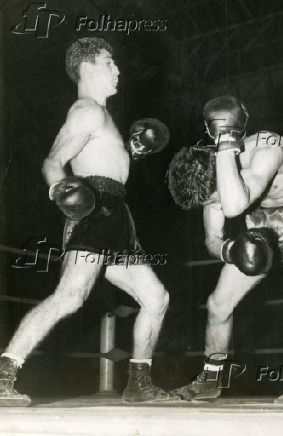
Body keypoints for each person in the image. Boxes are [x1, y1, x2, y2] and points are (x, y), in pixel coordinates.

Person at [0, 37, 179, 406]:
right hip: (95, 210)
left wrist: (133, 151)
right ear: (86, 67)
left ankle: (139, 383)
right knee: (70, 296)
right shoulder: (87, 111)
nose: (118, 69)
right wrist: (63, 193)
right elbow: (53, 161)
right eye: (109, 62)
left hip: (117, 213)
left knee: (156, 298)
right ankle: (4, 375)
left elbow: (104, 162)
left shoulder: (103, 116)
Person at [168, 95, 283, 405]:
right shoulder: (209, 177)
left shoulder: (268, 148)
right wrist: (230, 250)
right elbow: (212, 238)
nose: (214, 204)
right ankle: (211, 378)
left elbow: (235, 203)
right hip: (261, 229)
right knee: (217, 304)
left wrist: (226, 145)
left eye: (213, 199)